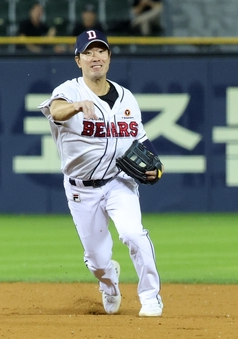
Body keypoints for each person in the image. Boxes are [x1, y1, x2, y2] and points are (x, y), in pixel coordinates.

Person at [38, 30, 164, 317]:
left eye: (101, 51)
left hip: (120, 182)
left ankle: (150, 298)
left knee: (133, 234)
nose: (96, 57)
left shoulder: (126, 97)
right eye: (89, 52)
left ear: (109, 57)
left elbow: (140, 138)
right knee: (97, 260)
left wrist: (155, 161)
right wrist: (75, 107)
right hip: (81, 189)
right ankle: (109, 284)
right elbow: (55, 112)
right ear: (78, 60)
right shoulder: (69, 91)